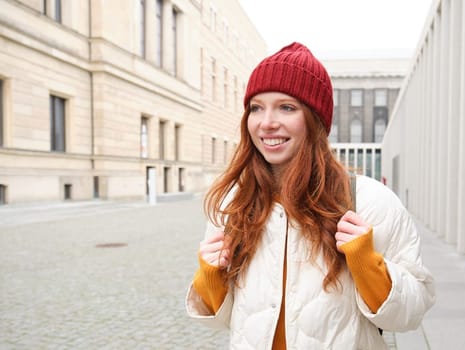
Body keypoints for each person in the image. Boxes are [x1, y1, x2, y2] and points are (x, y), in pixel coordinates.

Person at [185, 42, 435, 349]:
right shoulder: (234, 203)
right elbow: (230, 321)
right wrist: (211, 275)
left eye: (287, 107)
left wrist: (367, 264)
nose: (266, 122)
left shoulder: (369, 201)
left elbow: (410, 314)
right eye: (256, 107)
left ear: (315, 120)